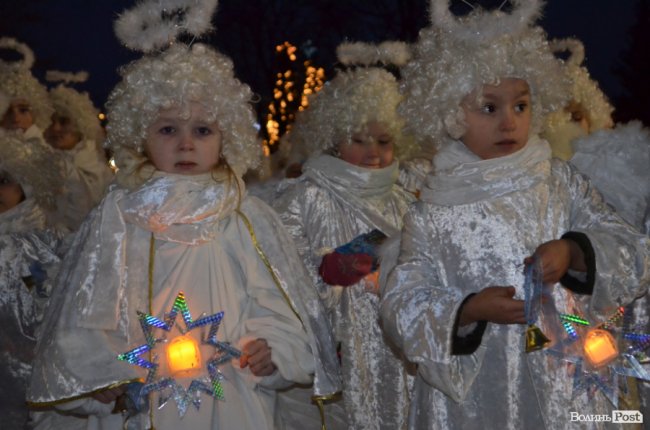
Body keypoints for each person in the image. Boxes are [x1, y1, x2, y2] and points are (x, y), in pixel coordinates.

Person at [27, 2, 340, 429]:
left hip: (232, 392)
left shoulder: (243, 215)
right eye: (168, 129)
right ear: (140, 135)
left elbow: (277, 303)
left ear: (225, 135)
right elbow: (87, 307)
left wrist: (275, 349)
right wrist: (99, 373)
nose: (186, 144)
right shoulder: (119, 215)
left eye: (203, 130)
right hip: (145, 395)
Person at [380, 2, 650, 429]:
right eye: (489, 108)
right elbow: (401, 303)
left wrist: (574, 251)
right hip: (478, 395)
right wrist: (466, 309)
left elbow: (633, 249)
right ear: (450, 113)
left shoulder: (559, 181)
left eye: (520, 106)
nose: (509, 121)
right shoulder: (433, 208)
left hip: (565, 376)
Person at [274, 41, 416, 430]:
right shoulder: (305, 196)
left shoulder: (406, 199)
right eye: (359, 140)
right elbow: (278, 264)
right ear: (335, 140)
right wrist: (327, 269)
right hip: (341, 345)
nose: (373, 152)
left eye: (384, 141)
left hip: (397, 343)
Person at [0, 129, 66, 430]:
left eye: (4, 182)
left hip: (23, 373)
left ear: (26, 186)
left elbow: (44, 304)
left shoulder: (34, 242)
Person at [44, 71, 113, 231]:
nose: (55, 128)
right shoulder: (38, 162)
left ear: (80, 124)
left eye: (64, 121)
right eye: (50, 121)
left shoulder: (97, 166)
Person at [0, 38, 53, 147]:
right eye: (7, 111)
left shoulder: (53, 158)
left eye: (23, 110)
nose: (16, 119)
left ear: (36, 114)